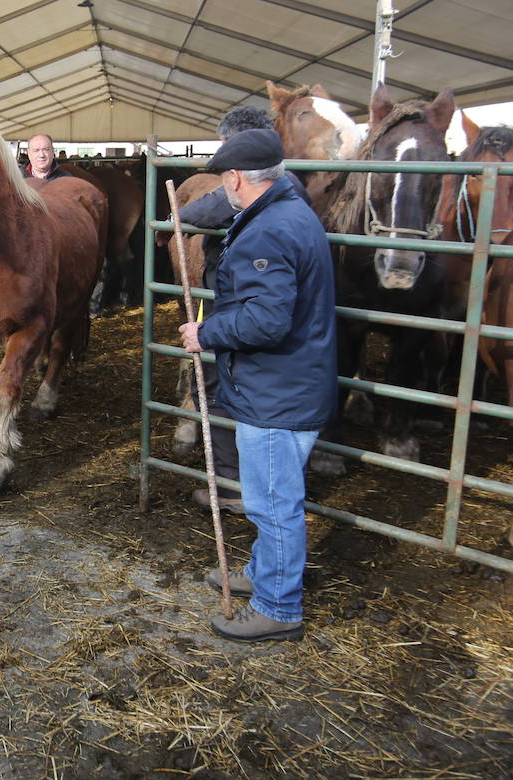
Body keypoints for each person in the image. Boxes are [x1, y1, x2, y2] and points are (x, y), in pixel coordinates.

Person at [177, 129, 336, 643]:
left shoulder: (268, 231)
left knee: (273, 503)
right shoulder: (289, 211)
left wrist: (206, 332)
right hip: (286, 382)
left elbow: (266, 321)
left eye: (227, 184)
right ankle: (263, 575)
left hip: (276, 392)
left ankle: (278, 606)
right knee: (272, 494)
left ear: (235, 178)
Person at [164, 107, 310, 516]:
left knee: (221, 386)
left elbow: (209, 209)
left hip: (241, 314)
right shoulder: (291, 191)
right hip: (252, 313)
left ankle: (234, 487)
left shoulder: (262, 198)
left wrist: (173, 221)